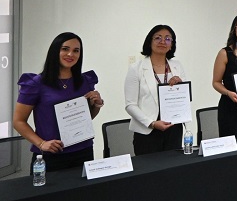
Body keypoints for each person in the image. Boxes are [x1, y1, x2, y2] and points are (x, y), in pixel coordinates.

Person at [13, 32, 104, 173]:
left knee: (82, 194)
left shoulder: (85, 81)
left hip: (83, 150)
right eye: (65, 49)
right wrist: (41, 143)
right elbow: (18, 121)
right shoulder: (36, 83)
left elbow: (85, 118)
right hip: (51, 154)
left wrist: (96, 105)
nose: (70, 54)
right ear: (55, 51)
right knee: (48, 195)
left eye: (76, 50)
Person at [124, 25, 188, 155]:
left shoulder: (177, 66)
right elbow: (130, 105)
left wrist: (180, 86)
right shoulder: (136, 68)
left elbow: (185, 98)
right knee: (149, 172)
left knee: (172, 170)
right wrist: (152, 123)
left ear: (172, 44)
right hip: (147, 130)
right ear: (150, 41)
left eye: (168, 39)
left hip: (173, 128)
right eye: (158, 38)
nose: (163, 41)